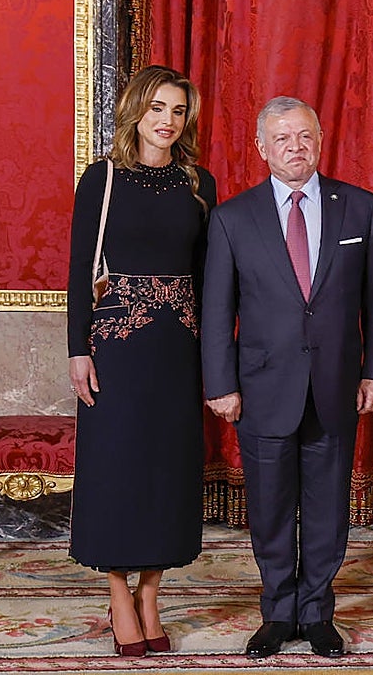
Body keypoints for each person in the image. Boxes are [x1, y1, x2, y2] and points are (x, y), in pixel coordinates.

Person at [200, 96, 373, 660]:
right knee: (271, 507)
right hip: (262, 388)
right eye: (282, 139)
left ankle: (318, 612)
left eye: (305, 136)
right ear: (261, 147)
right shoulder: (233, 218)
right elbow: (217, 312)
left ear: (321, 138)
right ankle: (279, 612)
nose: (295, 148)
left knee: (329, 506)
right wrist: (221, 384)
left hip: (337, 384)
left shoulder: (359, 208)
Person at [67, 64, 217, 657]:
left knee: (166, 471)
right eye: (158, 109)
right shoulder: (101, 179)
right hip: (116, 345)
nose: (168, 122)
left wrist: (217, 355)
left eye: (178, 112)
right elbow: (81, 270)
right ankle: (116, 592)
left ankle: (151, 592)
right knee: (116, 465)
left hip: (178, 346)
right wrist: (78, 349)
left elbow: (208, 276)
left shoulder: (199, 183)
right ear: (136, 110)